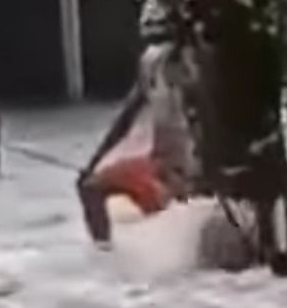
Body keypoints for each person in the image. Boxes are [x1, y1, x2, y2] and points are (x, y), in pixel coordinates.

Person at [76, 41, 200, 245]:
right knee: (90, 186)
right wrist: (94, 163)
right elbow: (124, 121)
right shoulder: (151, 65)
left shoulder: (199, 67)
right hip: (159, 166)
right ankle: (104, 252)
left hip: (188, 171)